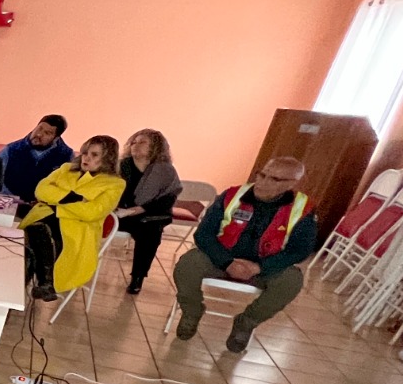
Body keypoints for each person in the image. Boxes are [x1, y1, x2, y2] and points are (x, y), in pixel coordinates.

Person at [176, 157, 315, 352]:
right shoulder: (232, 195)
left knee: (292, 280)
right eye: (262, 174)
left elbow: (300, 250)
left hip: (264, 266)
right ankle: (191, 311)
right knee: (189, 263)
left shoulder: (302, 208)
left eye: (273, 179)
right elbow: (203, 233)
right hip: (221, 259)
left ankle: (246, 322)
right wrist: (227, 263)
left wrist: (259, 267)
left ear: (291, 184)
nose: (263, 181)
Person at [18, 135, 126, 302]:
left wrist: (57, 206)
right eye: (85, 153)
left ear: (107, 159)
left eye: (94, 155)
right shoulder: (66, 168)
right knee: (32, 235)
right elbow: (41, 190)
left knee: (33, 237)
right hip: (45, 218)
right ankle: (45, 282)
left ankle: (29, 286)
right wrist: (71, 198)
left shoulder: (114, 183)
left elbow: (93, 211)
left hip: (76, 233)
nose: (86, 158)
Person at [115, 129, 183, 295]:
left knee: (151, 233)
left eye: (142, 142)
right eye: (134, 142)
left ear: (155, 147)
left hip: (149, 216)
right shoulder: (122, 166)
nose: (135, 146)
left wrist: (134, 210)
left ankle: (137, 277)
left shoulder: (165, 171)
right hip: (119, 212)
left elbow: (166, 200)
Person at [0, 115, 73, 202]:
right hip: (10, 202)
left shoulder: (66, 156)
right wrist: (11, 199)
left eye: (47, 133)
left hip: (44, 207)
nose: (39, 134)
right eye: (39, 128)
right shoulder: (11, 149)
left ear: (56, 138)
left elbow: (67, 187)